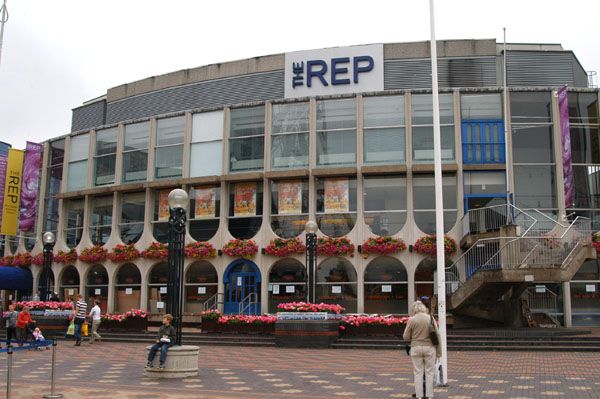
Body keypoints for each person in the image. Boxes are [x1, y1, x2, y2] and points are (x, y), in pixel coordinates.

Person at [403, 301, 441, 399]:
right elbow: (437, 335)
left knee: (418, 372)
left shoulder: (412, 320)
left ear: (414, 309)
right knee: (429, 372)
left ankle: (419, 395)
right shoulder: (430, 318)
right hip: (429, 347)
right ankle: (429, 395)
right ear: (423, 308)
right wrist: (439, 351)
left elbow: (406, 337)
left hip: (416, 347)